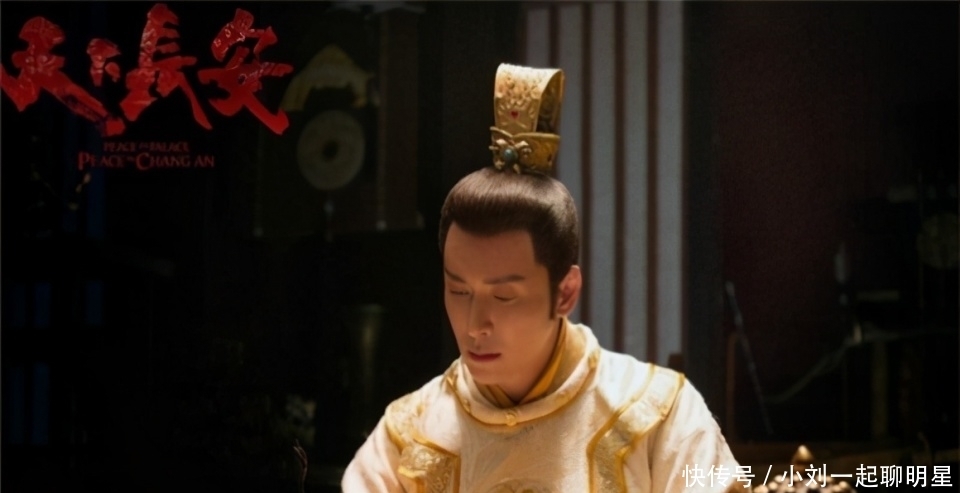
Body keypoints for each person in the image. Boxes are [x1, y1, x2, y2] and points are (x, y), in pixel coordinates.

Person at [342, 63, 745, 493]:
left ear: (565, 292)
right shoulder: (407, 436)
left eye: (504, 297)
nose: (475, 324)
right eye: (459, 290)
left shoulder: (661, 415)